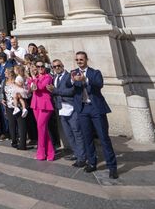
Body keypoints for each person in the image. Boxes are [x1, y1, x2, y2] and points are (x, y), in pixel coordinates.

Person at [71, 51, 118, 179]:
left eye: (81, 59)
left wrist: (85, 79)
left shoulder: (95, 72)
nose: (79, 61)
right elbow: (73, 89)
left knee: (104, 138)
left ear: (86, 60)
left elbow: (99, 84)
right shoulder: (74, 73)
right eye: (77, 60)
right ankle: (92, 163)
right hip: (83, 109)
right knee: (87, 138)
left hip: (96, 108)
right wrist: (72, 81)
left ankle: (112, 166)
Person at [47, 58, 86, 167]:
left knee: (77, 133)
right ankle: (76, 153)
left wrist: (55, 91)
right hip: (61, 109)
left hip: (71, 108)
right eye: (54, 66)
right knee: (69, 134)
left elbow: (71, 91)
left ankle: (82, 157)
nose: (57, 68)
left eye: (58, 65)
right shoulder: (54, 77)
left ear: (63, 65)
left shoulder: (69, 76)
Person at [30, 62, 55, 161]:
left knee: (40, 127)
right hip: (35, 105)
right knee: (42, 129)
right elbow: (31, 88)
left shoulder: (48, 77)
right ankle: (50, 153)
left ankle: (41, 153)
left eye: (42, 66)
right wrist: (32, 80)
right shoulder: (35, 77)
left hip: (45, 105)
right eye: (38, 66)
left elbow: (40, 87)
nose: (40, 68)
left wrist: (33, 78)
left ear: (45, 67)